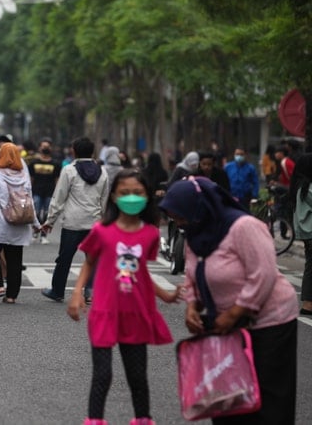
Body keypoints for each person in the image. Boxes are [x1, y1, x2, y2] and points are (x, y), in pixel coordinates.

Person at [160, 177, 298, 424]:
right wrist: (192, 305)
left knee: (269, 402)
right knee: (228, 397)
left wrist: (235, 313)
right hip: (225, 324)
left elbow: (262, 274)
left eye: (181, 217)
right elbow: (192, 273)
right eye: (175, 218)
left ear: (200, 207)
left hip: (268, 322)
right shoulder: (195, 233)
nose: (180, 223)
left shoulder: (244, 227)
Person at [69, 169, 178, 425]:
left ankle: (143, 419)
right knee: (103, 374)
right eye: (124, 193)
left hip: (136, 313)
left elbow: (141, 272)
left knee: (137, 376)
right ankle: (95, 420)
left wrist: (166, 295)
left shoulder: (151, 233)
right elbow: (89, 263)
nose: (131, 198)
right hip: (105, 311)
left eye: (138, 193)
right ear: (114, 197)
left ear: (147, 196)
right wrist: (77, 292)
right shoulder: (101, 230)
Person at [41, 137, 110, 303]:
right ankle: (90, 292)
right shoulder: (102, 171)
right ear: (92, 152)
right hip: (94, 223)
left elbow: (59, 198)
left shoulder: (69, 170)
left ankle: (57, 291)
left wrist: (49, 220)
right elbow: (105, 199)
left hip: (73, 222)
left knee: (64, 258)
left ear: (74, 151)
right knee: (93, 258)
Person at [0, 143, 41, 304]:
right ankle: (11, 295)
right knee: (15, 259)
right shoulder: (23, 174)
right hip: (19, 223)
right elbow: (29, 200)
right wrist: (35, 222)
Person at [290, 153, 312, 317]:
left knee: (310, 266)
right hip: (311, 232)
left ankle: (308, 303)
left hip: (306, 232)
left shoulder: (299, 186)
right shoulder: (307, 188)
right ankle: (308, 304)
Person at [28, 144, 61, 244]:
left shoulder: (55, 163)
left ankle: (43, 235)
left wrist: (57, 192)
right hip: (36, 191)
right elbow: (31, 178)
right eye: (43, 146)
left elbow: (57, 179)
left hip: (49, 192)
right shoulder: (34, 162)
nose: (45, 148)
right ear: (40, 148)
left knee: (47, 214)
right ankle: (35, 231)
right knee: (36, 213)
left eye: (47, 146)